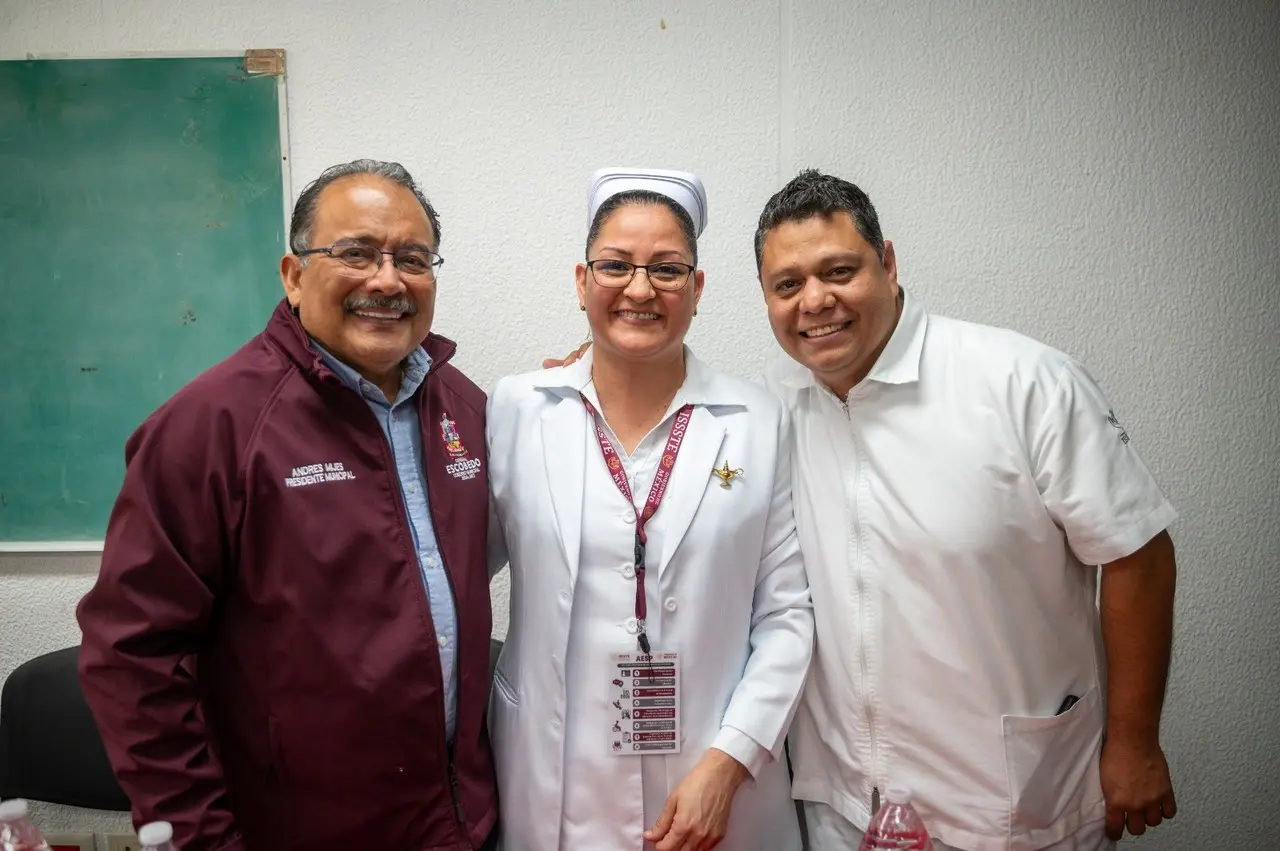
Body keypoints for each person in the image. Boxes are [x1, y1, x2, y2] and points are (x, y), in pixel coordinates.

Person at [77, 160, 498, 851]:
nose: (387, 280)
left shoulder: (463, 409)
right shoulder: (211, 427)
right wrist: (200, 838)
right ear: (294, 274)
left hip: (456, 826)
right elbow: (131, 655)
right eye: (356, 252)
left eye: (412, 258)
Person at [756, 171, 1179, 851]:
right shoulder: (772, 409)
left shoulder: (1021, 381)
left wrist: (1136, 743)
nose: (816, 301)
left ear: (888, 263)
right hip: (843, 807)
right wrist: (591, 374)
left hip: (1011, 806)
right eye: (788, 284)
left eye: (839, 270)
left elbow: (1138, 554)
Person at [487, 168, 814, 851]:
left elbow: (789, 612)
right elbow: (455, 563)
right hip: (555, 780)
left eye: (667, 268)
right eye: (616, 265)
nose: (640, 288)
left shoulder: (758, 419)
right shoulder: (517, 408)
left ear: (696, 289)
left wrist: (731, 760)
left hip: (716, 778)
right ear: (582, 282)